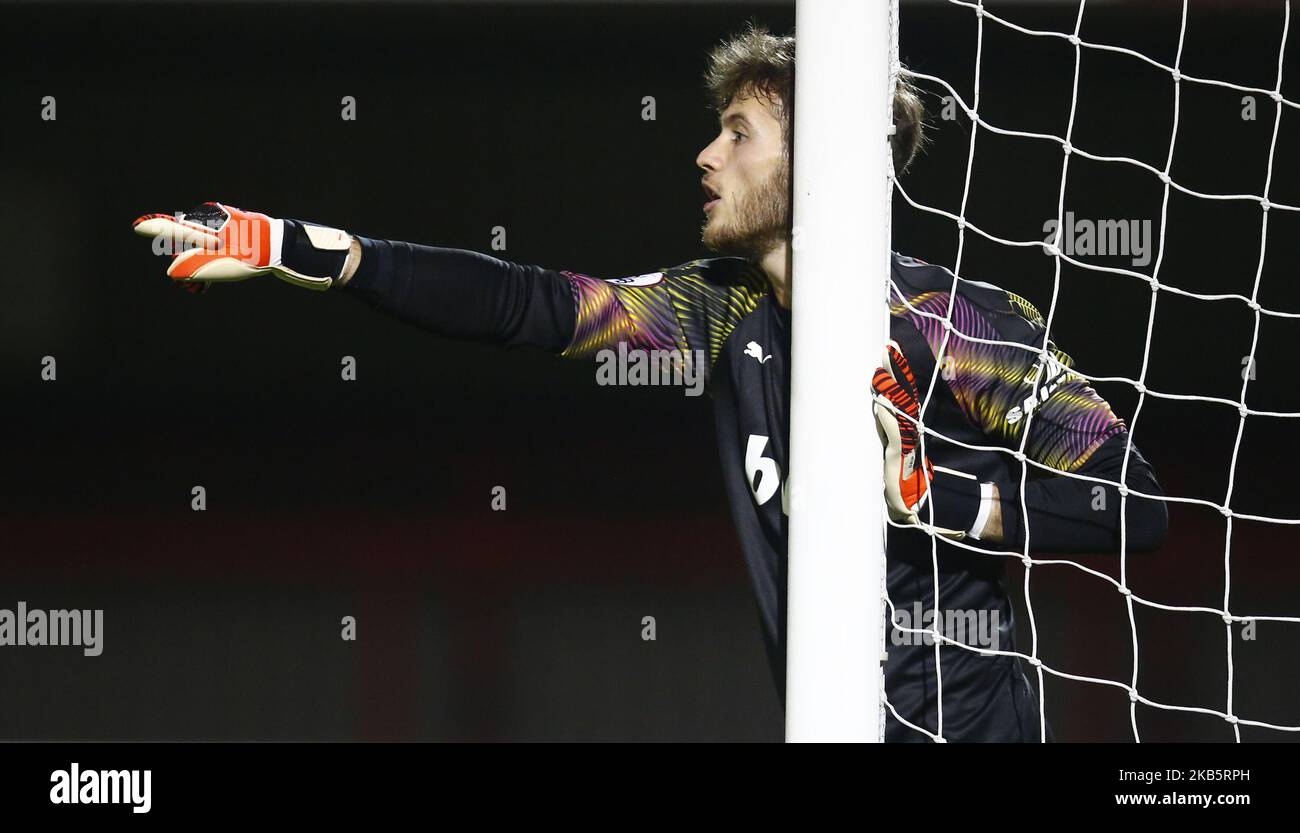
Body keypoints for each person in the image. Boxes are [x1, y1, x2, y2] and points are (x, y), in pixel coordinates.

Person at [132, 24, 1167, 741]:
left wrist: (938, 498)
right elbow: (536, 305)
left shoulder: (959, 326)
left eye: (739, 134)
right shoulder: (717, 310)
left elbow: (1136, 502)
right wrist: (326, 251)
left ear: (825, 158)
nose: (704, 153)